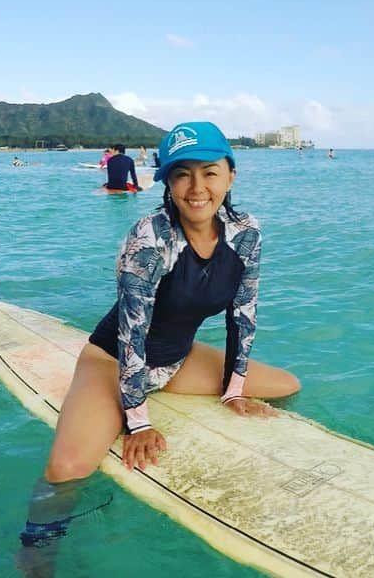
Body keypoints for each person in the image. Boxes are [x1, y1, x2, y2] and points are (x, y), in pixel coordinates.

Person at [17, 121, 300, 571]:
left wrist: (233, 389)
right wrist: (137, 421)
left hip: (177, 359)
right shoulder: (149, 239)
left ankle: (191, 390)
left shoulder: (246, 232)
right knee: (68, 467)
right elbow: (132, 334)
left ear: (231, 175)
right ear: (166, 181)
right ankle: (34, 560)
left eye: (209, 172)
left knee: (284, 385)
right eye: (182, 173)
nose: (197, 187)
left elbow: (243, 311)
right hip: (113, 361)